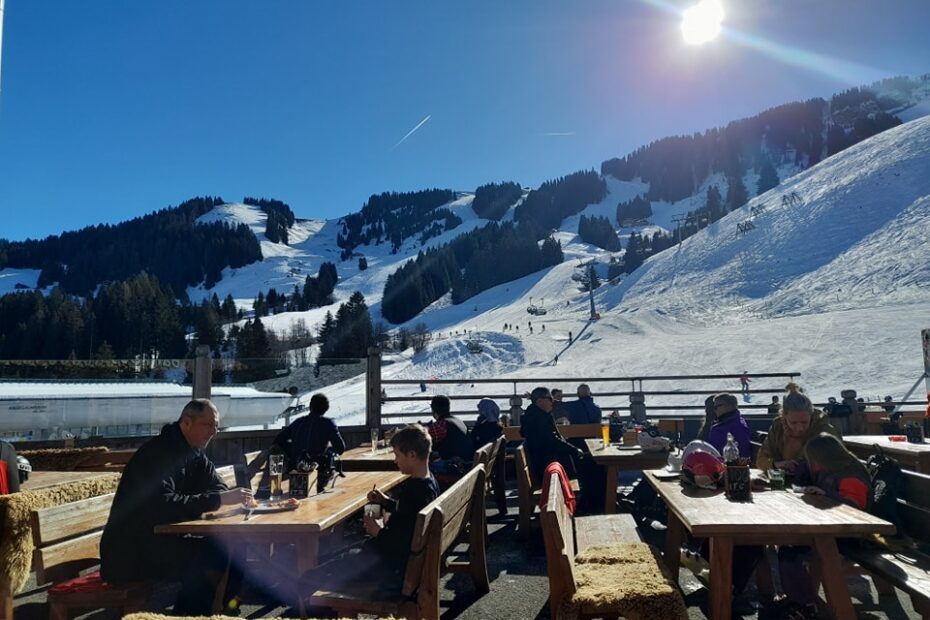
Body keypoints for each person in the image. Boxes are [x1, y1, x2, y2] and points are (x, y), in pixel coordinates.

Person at [100, 399, 252, 615]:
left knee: (234, 545)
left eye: (216, 426)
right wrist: (218, 500)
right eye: (208, 425)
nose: (213, 432)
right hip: (129, 551)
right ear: (187, 423)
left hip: (159, 540)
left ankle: (226, 608)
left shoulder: (194, 452)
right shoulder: (158, 454)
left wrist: (221, 496)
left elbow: (217, 486)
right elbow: (163, 504)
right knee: (205, 555)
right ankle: (188, 616)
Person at [300, 425, 440, 596]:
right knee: (331, 557)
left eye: (397, 455)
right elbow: (410, 518)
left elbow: (400, 544)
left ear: (412, 455)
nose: (395, 460)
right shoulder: (428, 483)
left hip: (389, 569)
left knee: (310, 576)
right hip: (400, 562)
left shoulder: (414, 490)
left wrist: (377, 531)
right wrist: (387, 502)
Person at [778, 433, 871, 619]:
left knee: (792, 550)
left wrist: (826, 494)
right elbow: (806, 473)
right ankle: (800, 600)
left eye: (813, 459)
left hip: (849, 537)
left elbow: (854, 508)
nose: (813, 464)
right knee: (788, 547)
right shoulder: (831, 469)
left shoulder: (851, 475)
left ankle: (804, 604)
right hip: (831, 531)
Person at [756, 383, 840, 474]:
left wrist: (798, 464)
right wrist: (776, 464)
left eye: (804, 422)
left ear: (811, 415)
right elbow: (761, 460)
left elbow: (832, 462)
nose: (799, 428)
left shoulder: (823, 429)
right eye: (793, 423)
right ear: (784, 416)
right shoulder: (778, 426)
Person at [257, 393, 345, 475]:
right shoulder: (328, 424)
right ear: (326, 408)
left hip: (293, 471)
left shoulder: (298, 422)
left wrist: (293, 449)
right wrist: (329, 452)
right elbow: (340, 448)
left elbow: (278, 440)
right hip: (317, 472)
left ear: (310, 406)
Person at [426, 395, 472, 480]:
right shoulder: (457, 421)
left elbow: (422, 440)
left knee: (419, 466)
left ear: (433, 410)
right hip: (466, 464)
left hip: (454, 469)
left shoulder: (441, 425)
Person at [705, 393, 751, 459]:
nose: (714, 410)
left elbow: (742, 452)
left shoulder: (738, 425)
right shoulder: (724, 422)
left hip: (726, 464)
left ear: (728, 406)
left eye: (716, 407)